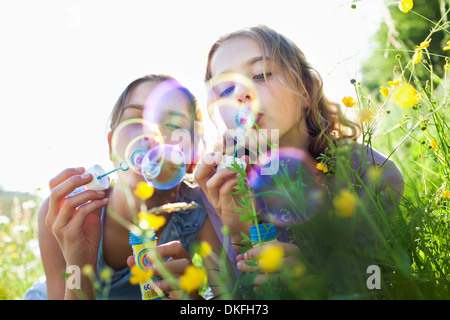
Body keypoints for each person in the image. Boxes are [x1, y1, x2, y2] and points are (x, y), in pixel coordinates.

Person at [195, 25, 404, 282]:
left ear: (305, 91)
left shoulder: (369, 173)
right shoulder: (221, 187)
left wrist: (313, 282)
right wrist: (241, 238)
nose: (239, 93)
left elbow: (380, 283)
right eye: (225, 90)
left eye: (261, 74)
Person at [28, 74, 221, 300]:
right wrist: (78, 266)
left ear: (192, 156)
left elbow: (231, 297)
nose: (151, 135)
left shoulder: (198, 207)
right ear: (111, 145)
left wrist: (191, 301)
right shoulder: (68, 213)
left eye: (172, 124)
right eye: (136, 119)